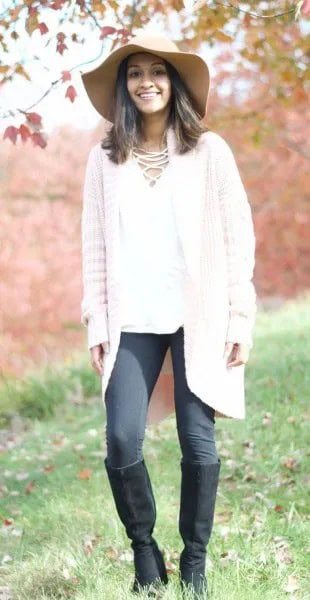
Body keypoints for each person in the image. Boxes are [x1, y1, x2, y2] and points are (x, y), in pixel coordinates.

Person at [80, 32, 257, 598]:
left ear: (173, 82)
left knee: (196, 441)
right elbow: (94, 249)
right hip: (131, 317)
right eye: (135, 73)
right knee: (122, 439)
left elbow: (238, 242)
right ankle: (144, 551)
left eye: (158, 71)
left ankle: (196, 562)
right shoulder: (105, 158)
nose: (146, 81)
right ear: (124, 87)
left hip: (197, 316)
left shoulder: (210, 152)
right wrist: (96, 321)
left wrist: (239, 319)